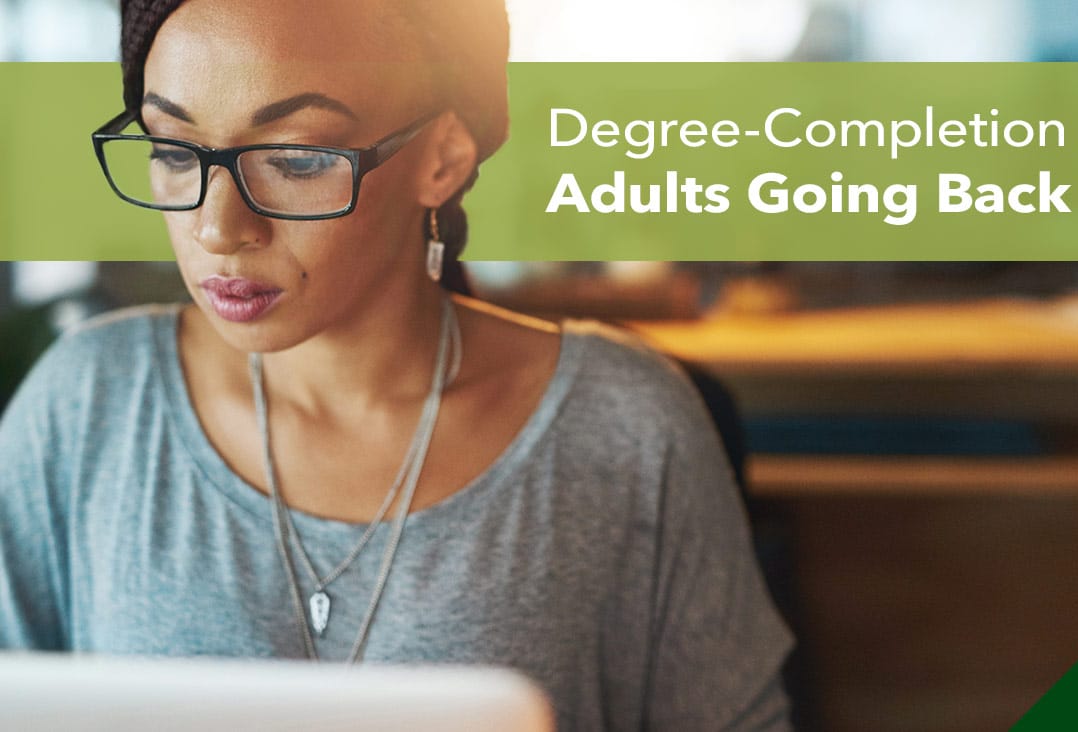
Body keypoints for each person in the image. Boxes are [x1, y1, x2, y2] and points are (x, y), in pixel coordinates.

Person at [0, 1, 794, 728]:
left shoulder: (626, 428)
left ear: (442, 158)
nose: (216, 227)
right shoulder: (85, 406)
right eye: (174, 148)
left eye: (296, 158)